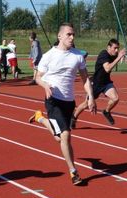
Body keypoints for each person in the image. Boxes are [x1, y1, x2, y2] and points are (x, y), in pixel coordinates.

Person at [28, 23, 94, 186]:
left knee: (59, 138)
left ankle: (40, 119)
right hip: (53, 101)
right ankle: (74, 172)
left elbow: (85, 78)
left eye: (73, 35)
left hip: (69, 102)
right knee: (65, 135)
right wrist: (45, 86)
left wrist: (91, 97)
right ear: (60, 36)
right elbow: (38, 77)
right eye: (69, 34)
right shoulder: (49, 56)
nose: (72, 37)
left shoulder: (78, 56)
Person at [72, 38, 126, 126]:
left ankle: (106, 111)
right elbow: (107, 68)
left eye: (118, 48)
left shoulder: (114, 55)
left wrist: (122, 56)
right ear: (109, 47)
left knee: (115, 98)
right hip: (96, 83)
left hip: (106, 83)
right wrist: (119, 57)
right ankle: (74, 117)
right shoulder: (103, 54)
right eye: (115, 48)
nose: (116, 50)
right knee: (86, 104)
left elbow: (119, 57)